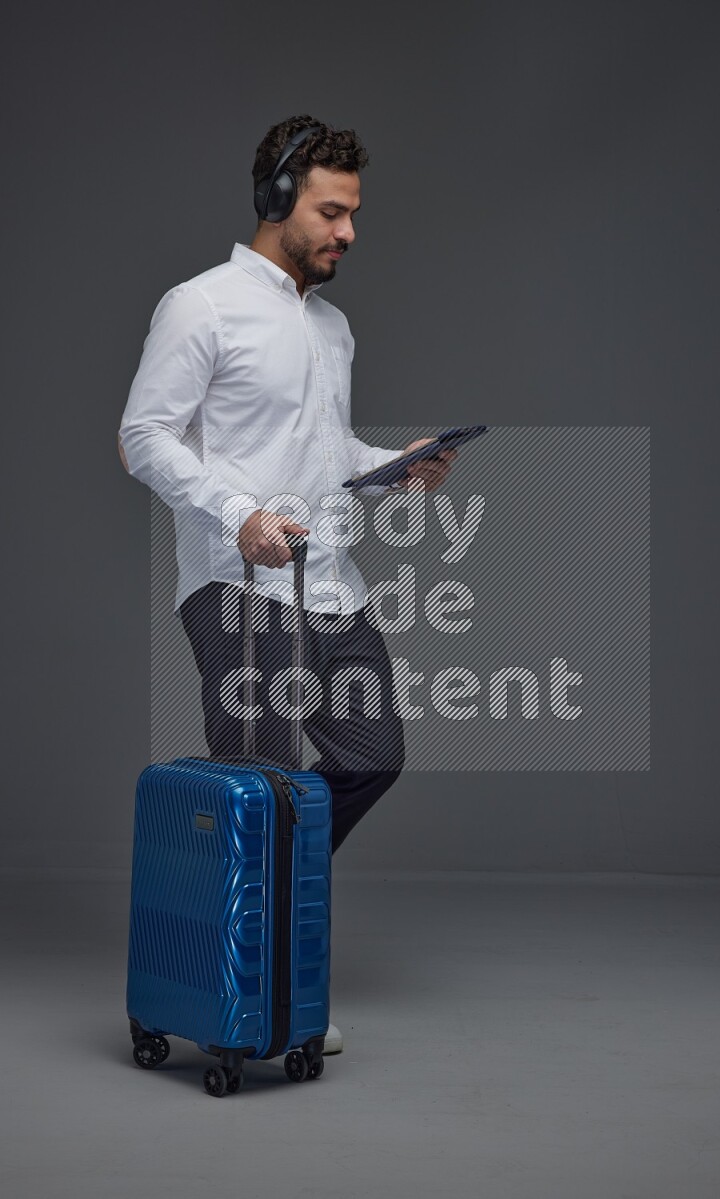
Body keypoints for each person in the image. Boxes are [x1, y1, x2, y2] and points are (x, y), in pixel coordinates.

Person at [118, 114, 457, 1054]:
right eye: (332, 211)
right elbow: (143, 436)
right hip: (238, 583)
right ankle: (249, 985)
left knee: (370, 753)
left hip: (328, 582)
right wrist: (239, 514)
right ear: (278, 200)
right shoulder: (203, 305)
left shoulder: (332, 327)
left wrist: (398, 462)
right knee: (260, 778)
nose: (349, 233)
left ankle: (242, 899)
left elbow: (324, 451)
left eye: (352, 214)